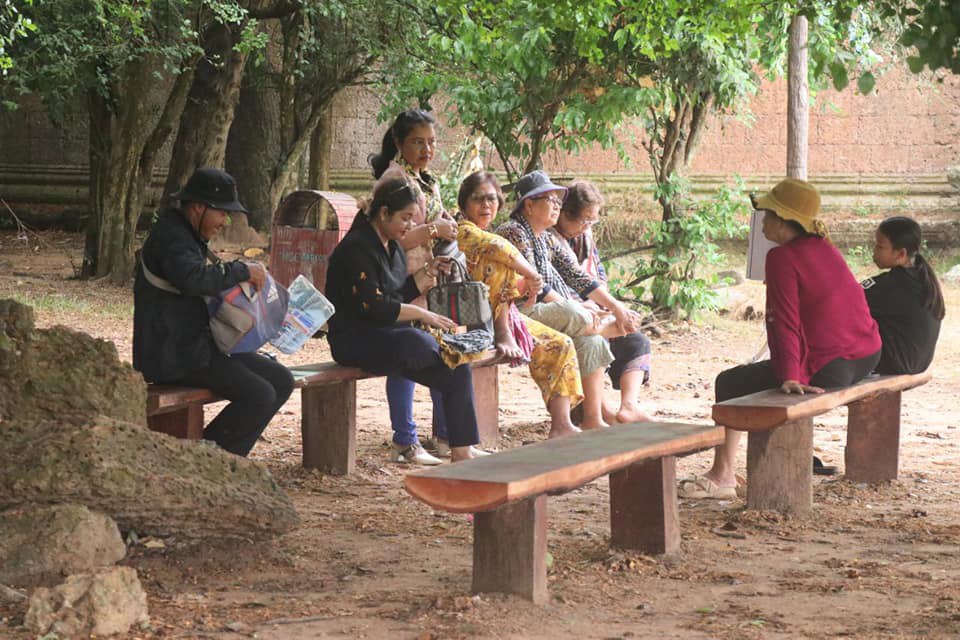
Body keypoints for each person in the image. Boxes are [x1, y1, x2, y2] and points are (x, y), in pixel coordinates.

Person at [680, 178, 882, 499]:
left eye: (768, 214)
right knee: (751, 378)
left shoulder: (782, 257)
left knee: (729, 383)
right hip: (865, 355)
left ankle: (722, 476)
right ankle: (727, 472)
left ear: (785, 220)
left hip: (832, 366)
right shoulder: (823, 246)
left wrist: (790, 375)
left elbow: (784, 321)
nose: (763, 221)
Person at [133, 167, 294, 457]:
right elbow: (193, 280)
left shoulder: (186, 234)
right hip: (173, 354)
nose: (225, 221)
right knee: (260, 395)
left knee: (281, 380)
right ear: (198, 208)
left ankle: (216, 455)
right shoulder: (172, 237)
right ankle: (210, 460)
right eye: (221, 213)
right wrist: (241, 269)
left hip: (198, 347)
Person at [324, 175, 482, 463]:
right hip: (354, 339)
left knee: (457, 361)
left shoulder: (393, 246)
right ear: (383, 213)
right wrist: (423, 314)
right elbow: (376, 306)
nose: (410, 226)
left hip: (387, 335)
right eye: (405, 218)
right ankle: (411, 440)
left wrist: (430, 271)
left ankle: (462, 451)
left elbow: (400, 292)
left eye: (413, 218)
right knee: (416, 339)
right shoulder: (356, 248)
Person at [497, 170, 639, 430]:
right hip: (515, 312)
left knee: (591, 341)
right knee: (576, 314)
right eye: (551, 201)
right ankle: (604, 325)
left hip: (543, 309)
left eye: (558, 202)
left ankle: (593, 419)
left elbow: (579, 278)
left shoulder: (546, 238)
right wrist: (579, 307)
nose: (557, 207)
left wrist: (616, 306)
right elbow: (534, 287)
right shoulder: (514, 232)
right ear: (529, 205)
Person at [455, 171, 583, 438]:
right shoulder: (464, 231)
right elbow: (499, 249)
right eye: (478, 199)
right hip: (466, 318)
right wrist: (530, 273)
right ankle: (502, 333)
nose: (486, 205)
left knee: (559, 344)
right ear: (464, 204)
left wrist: (528, 283)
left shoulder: (496, 233)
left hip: (502, 315)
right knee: (498, 260)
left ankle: (561, 425)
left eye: (492, 199)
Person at [368, 109, 463, 464]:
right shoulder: (392, 181)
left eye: (432, 142)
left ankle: (445, 436)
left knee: (441, 351)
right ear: (398, 143)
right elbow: (380, 240)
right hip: (401, 280)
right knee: (404, 358)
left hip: (430, 277)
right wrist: (431, 232)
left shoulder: (427, 181)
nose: (427, 149)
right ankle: (405, 440)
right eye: (417, 142)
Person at [553, 180, 654, 423]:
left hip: (594, 311)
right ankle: (599, 410)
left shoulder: (585, 237)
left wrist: (612, 309)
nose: (587, 226)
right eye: (583, 220)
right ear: (564, 214)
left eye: (593, 221)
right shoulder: (550, 239)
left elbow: (597, 276)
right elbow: (564, 285)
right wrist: (605, 311)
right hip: (567, 314)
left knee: (635, 339)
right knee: (595, 338)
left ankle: (629, 405)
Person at [862, 216, 944, 374]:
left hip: (895, 364)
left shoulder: (889, 286)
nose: (874, 251)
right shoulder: (922, 277)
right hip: (917, 362)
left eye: (880, 246)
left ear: (901, 253)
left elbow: (847, 299)